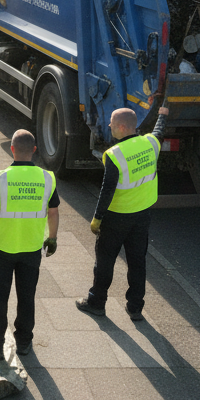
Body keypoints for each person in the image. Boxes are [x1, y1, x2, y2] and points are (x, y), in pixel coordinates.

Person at [0, 129, 60, 358]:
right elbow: (53, 212)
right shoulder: (47, 178)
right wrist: (52, 237)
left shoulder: (1, 178)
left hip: (2, 248)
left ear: (12, 149)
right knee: (27, 296)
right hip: (31, 249)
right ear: (34, 151)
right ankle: (23, 343)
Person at [76, 104, 168, 321]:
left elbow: (107, 191)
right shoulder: (150, 144)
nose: (109, 127)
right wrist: (163, 115)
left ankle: (97, 302)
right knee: (137, 262)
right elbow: (159, 131)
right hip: (142, 215)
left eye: (113, 124)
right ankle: (135, 308)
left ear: (123, 127)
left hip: (117, 218)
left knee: (105, 261)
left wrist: (97, 218)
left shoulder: (115, 155)